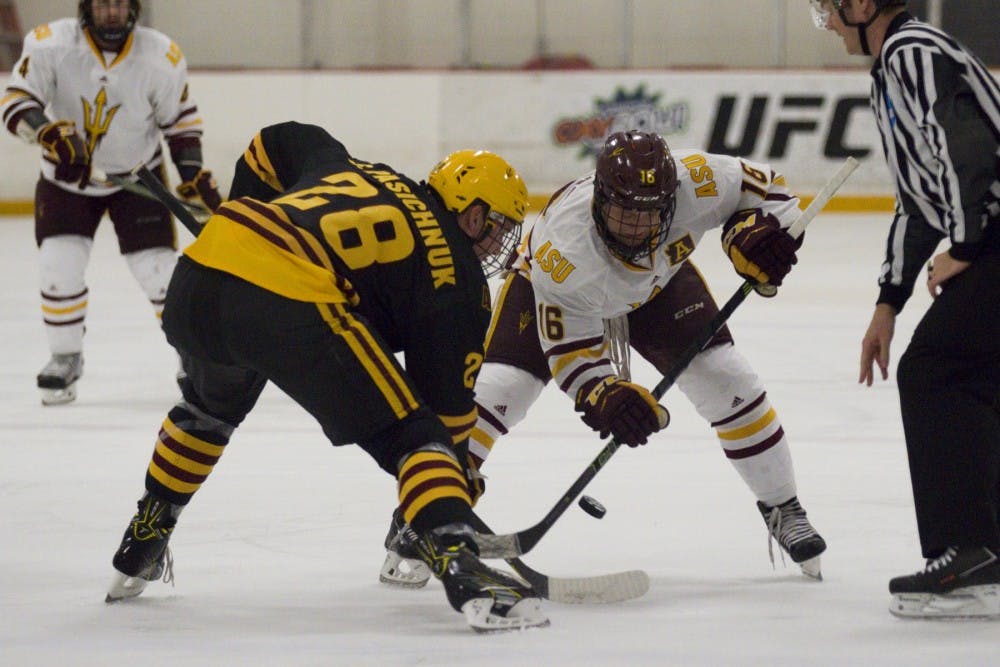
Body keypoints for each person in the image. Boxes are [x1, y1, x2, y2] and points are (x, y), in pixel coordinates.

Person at [103, 120, 550, 633]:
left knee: (206, 410)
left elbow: (273, 141)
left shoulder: (358, 168)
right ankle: (465, 568)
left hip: (200, 275)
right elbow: (445, 424)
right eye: (496, 227)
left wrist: (250, 213)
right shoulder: (460, 282)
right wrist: (452, 489)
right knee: (415, 437)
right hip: (289, 298)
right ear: (471, 215)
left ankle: (142, 541)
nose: (496, 244)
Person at [380, 130, 827, 589]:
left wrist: (753, 234)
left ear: (673, 199)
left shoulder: (700, 180)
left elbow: (770, 190)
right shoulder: (563, 251)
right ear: (598, 200)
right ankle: (420, 516)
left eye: (648, 215)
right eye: (622, 213)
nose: (635, 228)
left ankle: (783, 506)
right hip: (552, 292)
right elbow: (571, 351)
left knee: (727, 379)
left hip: (658, 283)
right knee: (498, 392)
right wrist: (605, 395)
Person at [811, 0, 1000, 619]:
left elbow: (963, 152)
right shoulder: (895, 65)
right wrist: (888, 301)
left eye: (831, 8)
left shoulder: (911, 52)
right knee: (971, 374)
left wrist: (968, 246)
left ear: (863, 3)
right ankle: (983, 553)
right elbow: (920, 199)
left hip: (993, 233)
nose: (829, 22)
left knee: (936, 371)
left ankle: (971, 559)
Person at [0, 0, 223, 405]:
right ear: (86, 7)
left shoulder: (160, 55)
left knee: (160, 273)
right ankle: (65, 357)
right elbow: (16, 102)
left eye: (120, 4)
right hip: (66, 179)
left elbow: (181, 121)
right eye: (103, 4)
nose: (112, 14)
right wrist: (48, 134)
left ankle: (193, 358)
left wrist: (190, 172)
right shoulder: (50, 45)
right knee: (58, 266)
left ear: (133, 8)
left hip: (138, 175)